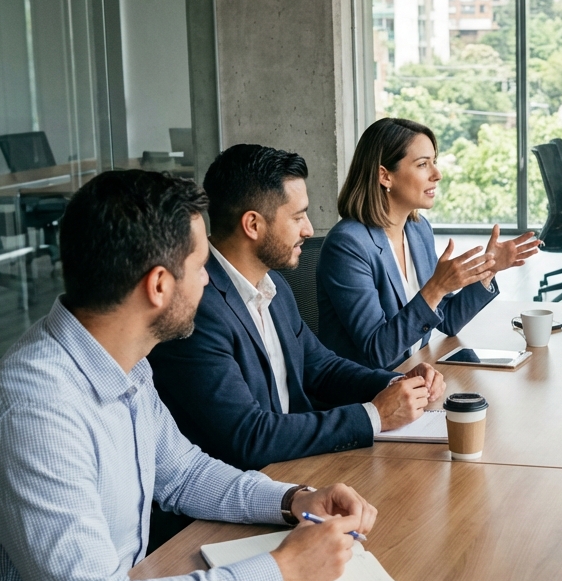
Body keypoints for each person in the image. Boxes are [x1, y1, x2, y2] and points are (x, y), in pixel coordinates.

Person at [0, 170, 378, 581]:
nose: (210, 279)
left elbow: (185, 473)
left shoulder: (124, 362)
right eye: (202, 264)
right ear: (160, 285)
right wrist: (282, 571)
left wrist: (292, 500)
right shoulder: (37, 412)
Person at [148, 145, 445, 471]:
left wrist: (395, 384)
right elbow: (248, 437)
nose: (308, 229)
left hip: (302, 464)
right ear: (252, 224)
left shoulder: (273, 285)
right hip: (252, 488)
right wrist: (375, 415)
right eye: (298, 216)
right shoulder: (196, 310)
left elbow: (321, 368)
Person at [317, 117, 538, 369]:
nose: (437, 174)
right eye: (423, 164)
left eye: (434, 162)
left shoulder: (418, 230)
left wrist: (489, 270)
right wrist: (436, 287)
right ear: (384, 176)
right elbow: (378, 351)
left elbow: (448, 320)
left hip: (417, 374)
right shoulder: (347, 245)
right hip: (369, 394)